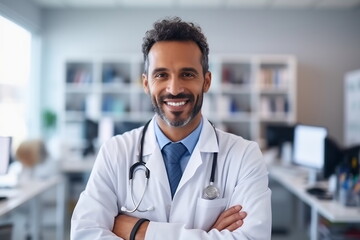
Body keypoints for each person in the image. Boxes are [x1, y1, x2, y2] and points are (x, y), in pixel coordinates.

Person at [71, 16, 271, 240]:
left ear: (206, 81)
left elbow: (253, 238)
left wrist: (138, 231)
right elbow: (85, 233)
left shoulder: (244, 155)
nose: (174, 89)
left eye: (187, 74)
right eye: (161, 75)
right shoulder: (115, 152)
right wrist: (207, 235)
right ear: (146, 83)